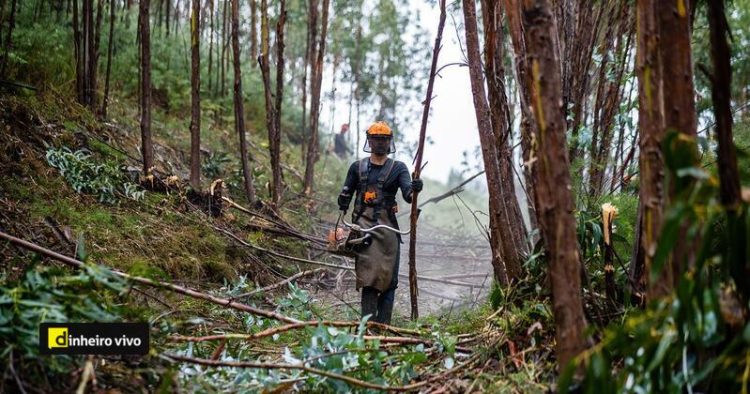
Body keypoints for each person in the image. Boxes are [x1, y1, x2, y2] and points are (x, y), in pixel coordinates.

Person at [336, 121, 423, 325]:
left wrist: (415, 188)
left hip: (388, 232)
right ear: (370, 141)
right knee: (368, 279)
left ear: (389, 142)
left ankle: (384, 328)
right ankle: (368, 328)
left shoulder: (398, 168)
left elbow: (409, 195)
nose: (380, 143)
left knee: (389, 281)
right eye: (376, 139)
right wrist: (344, 202)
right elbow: (346, 193)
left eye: (384, 140)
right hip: (363, 231)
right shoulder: (357, 167)